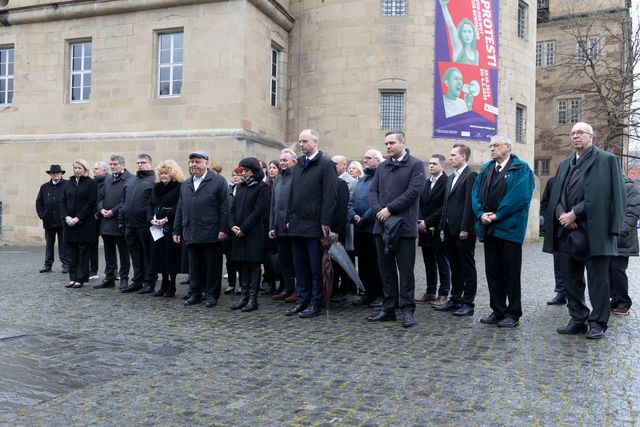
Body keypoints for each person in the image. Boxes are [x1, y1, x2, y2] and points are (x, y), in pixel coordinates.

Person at [543, 122, 626, 340]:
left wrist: (575, 214)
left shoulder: (607, 160)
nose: (575, 136)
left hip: (595, 231)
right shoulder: (565, 164)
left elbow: (610, 195)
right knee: (570, 279)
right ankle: (578, 318)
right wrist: (563, 215)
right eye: (572, 133)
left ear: (591, 136)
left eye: (580, 132)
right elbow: (556, 195)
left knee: (598, 281)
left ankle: (598, 322)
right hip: (567, 232)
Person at [472, 136, 534, 328]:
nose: (492, 149)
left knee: (511, 273)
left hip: (510, 230)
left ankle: (513, 313)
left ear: (508, 147)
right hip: (489, 229)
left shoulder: (522, 169)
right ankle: (497, 310)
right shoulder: (486, 169)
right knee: (493, 272)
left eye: (496, 145)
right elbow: (475, 194)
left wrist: (497, 215)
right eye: (490, 145)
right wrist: (481, 213)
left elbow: (519, 197)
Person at [367, 130, 426, 328]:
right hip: (381, 227)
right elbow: (373, 191)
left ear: (403, 143)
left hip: (404, 228)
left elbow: (413, 192)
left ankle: (407, 310)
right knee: (386, 271)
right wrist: (379, 211)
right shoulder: (382, 166)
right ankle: (388, 308)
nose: (388, 146)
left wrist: (389, 209)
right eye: (386, 144)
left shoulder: (416, 165)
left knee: (406, 272)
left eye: (392, 143)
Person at [285, 129, 338, 318]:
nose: (301, 145)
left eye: (305, 141)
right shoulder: (298, 164)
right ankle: (302, 300)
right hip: (297, 224)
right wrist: (290, 219)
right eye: (299, 141)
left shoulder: (326, 164)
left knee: (315, 267)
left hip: (315, 225)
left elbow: (330, 195)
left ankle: (316, 303)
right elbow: (293, 194)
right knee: (300, 267)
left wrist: (325, 221)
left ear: (315, 141)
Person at [173, 151, 230, 308]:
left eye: (198, 162)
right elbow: (180, 208)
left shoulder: (218, 181)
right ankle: (195, 293)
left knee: (212, 266)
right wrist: (177, 230)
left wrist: (223, 229)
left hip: (211, 231)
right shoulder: (186, 184)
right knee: (194, 265)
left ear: (206, 163)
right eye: (191, 162)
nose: (194, 165)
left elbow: (225, 207)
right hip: (191, 230)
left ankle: (212, 295)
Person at [435, 143, 478, 316]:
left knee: (467, 267)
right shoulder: (451, 178)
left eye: (454, 155)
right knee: (455, 267)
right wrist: (442, 228)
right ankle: (455, 299)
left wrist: (465, 228)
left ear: (463, 157)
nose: (451, 158)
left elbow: (470, 204)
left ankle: (468, 303)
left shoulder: (471, 175)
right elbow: (446, 204)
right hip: (449, 229)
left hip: (463, 231)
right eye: (451, 155)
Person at [229, 157, 271, 312]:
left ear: (254, 171)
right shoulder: (240, 187)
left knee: (253, 264)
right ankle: (244, 296)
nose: (244, 173)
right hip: (238, 231)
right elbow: (232, 208)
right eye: (243, 171)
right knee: (242, 263)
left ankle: (253, 299)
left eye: (247, 171)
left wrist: (244, 228)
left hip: (253, 233)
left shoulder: (262, 187)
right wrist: (232, 225)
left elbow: (258, 211)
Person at [348, 149, 384, 308]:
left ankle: (377, 294)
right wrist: (353, 216)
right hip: (359, 228)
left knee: (374, 263)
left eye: (368, 158)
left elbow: (378, 201)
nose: (365, 161)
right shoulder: (361, 181)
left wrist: (364, 218)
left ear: (377, 160)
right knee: (362, 262)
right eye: (364, 158)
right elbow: (351, 202)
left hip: (372, 228)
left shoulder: (381, 178)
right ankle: (365, 292)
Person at [120, 153, 157, 294]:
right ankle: (137, 280)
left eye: (143, 162)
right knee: (135, 255)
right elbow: (123, 202)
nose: (140, 165)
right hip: (130, 224)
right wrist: (121, 221)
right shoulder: (130, 181)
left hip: (145, 225)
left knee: (147, 255)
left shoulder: (154, 180)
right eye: (138, 163)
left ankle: (149, 281)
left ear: (150, 164)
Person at [416, 154, 450, 305]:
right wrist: (421, 221)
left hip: (439, 228)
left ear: (442, 166)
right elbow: (420, 204)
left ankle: (443, 294)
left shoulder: (447, 182)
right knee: (428, 262)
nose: (430, 166)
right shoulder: (425, 183)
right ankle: (430, 292)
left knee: (442, 262)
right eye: (429, 163)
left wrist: (428, 221)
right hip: (424, 229)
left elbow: (445, 207)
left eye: (434, 164)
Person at [149, 159, 185, 298]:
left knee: (170, 256)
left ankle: (172, 284)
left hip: (171, 225)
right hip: (156, 225)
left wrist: (167, 218)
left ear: (173, 174)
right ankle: (163, 283)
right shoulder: (156, 187)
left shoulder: (179, 187)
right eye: (161, 173)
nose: (163, 176)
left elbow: (179, 206)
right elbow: (150, 205)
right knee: (159, 256)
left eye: (166, 173)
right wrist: (151, 219)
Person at [95, 154, 132, 290]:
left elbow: (126, 200)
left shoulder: (129, 178)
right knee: (108, 252)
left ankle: (124, 279)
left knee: (123, 253)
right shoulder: (108, 178)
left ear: (122, 165)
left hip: (120, 222)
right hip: (106, 222)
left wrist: (113, 211)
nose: (112, 167)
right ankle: (109, 277)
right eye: (110, 164)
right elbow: (100, 197)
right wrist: (102, 209)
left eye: (115, 164)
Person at [60, 159, 98, 288]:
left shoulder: (91, 183)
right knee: (72, 253)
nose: (77, 170)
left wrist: (77, 218)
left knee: (83, 252)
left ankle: (80, 279)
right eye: (75, 168)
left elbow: (91, 203)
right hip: (69, 223)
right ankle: (73, 277)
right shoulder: (68, 183)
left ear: (85, 169)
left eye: (79, 168)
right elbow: (63, 202)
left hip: (84, 223)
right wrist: (66, 217)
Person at [269, 149, 298, 302]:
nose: (282, 163)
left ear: (294, 161)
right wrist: (271, 226)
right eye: (281, 160)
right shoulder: (278, 179)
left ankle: (298, 291)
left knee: (296, 261)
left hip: (293, 227)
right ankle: (288, 288)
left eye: (286, 160)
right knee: (284, 260)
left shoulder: (298, 176)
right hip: (279, 227)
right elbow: (273, 205)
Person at [609, 176, 640, 316]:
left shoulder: (630, 188)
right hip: (608, 237)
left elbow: (632, 213)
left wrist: (618, 233)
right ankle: (615, 299)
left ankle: (624, 302)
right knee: (609, 270)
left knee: (618, 270)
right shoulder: (609, 185)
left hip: (622, 239)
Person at [35, 164, 69, 274]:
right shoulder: (44, 187)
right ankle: (47, 265)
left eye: (58, 173)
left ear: (61, 174)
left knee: (63, 243)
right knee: (49, 243)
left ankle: (66, 264)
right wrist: (42, 215)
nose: (56, 175)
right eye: (53, 173)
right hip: (48, 220)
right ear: (50, 174)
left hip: (62, 220)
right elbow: (39, 202)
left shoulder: (67, 185)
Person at [540, 176, 567, 305]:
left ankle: (574, 295)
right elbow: (545, 204)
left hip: (575, 227)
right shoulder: (552, 181)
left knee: (576, 264)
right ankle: (561, 292)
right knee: (558, 262)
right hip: (556, 228)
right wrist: (549, 220)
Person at [439, 0, 479, 65]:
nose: (467, 34)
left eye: (469, 31)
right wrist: (443, 5)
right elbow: (451, 28)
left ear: (473, 34)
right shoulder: (458, 48)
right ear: (461, 34)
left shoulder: (476, 53)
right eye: (464, 31)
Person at [89, 161, 108, 280]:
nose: (94, 170)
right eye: (94, 168)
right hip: (93, 218)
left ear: (104, 170)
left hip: (106, 217)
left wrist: (99, 212)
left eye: (96, 168)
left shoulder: (109, 181)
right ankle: (93, 270)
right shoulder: (92, 183)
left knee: (109, 245)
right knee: (92, 245)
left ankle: (113, 270)